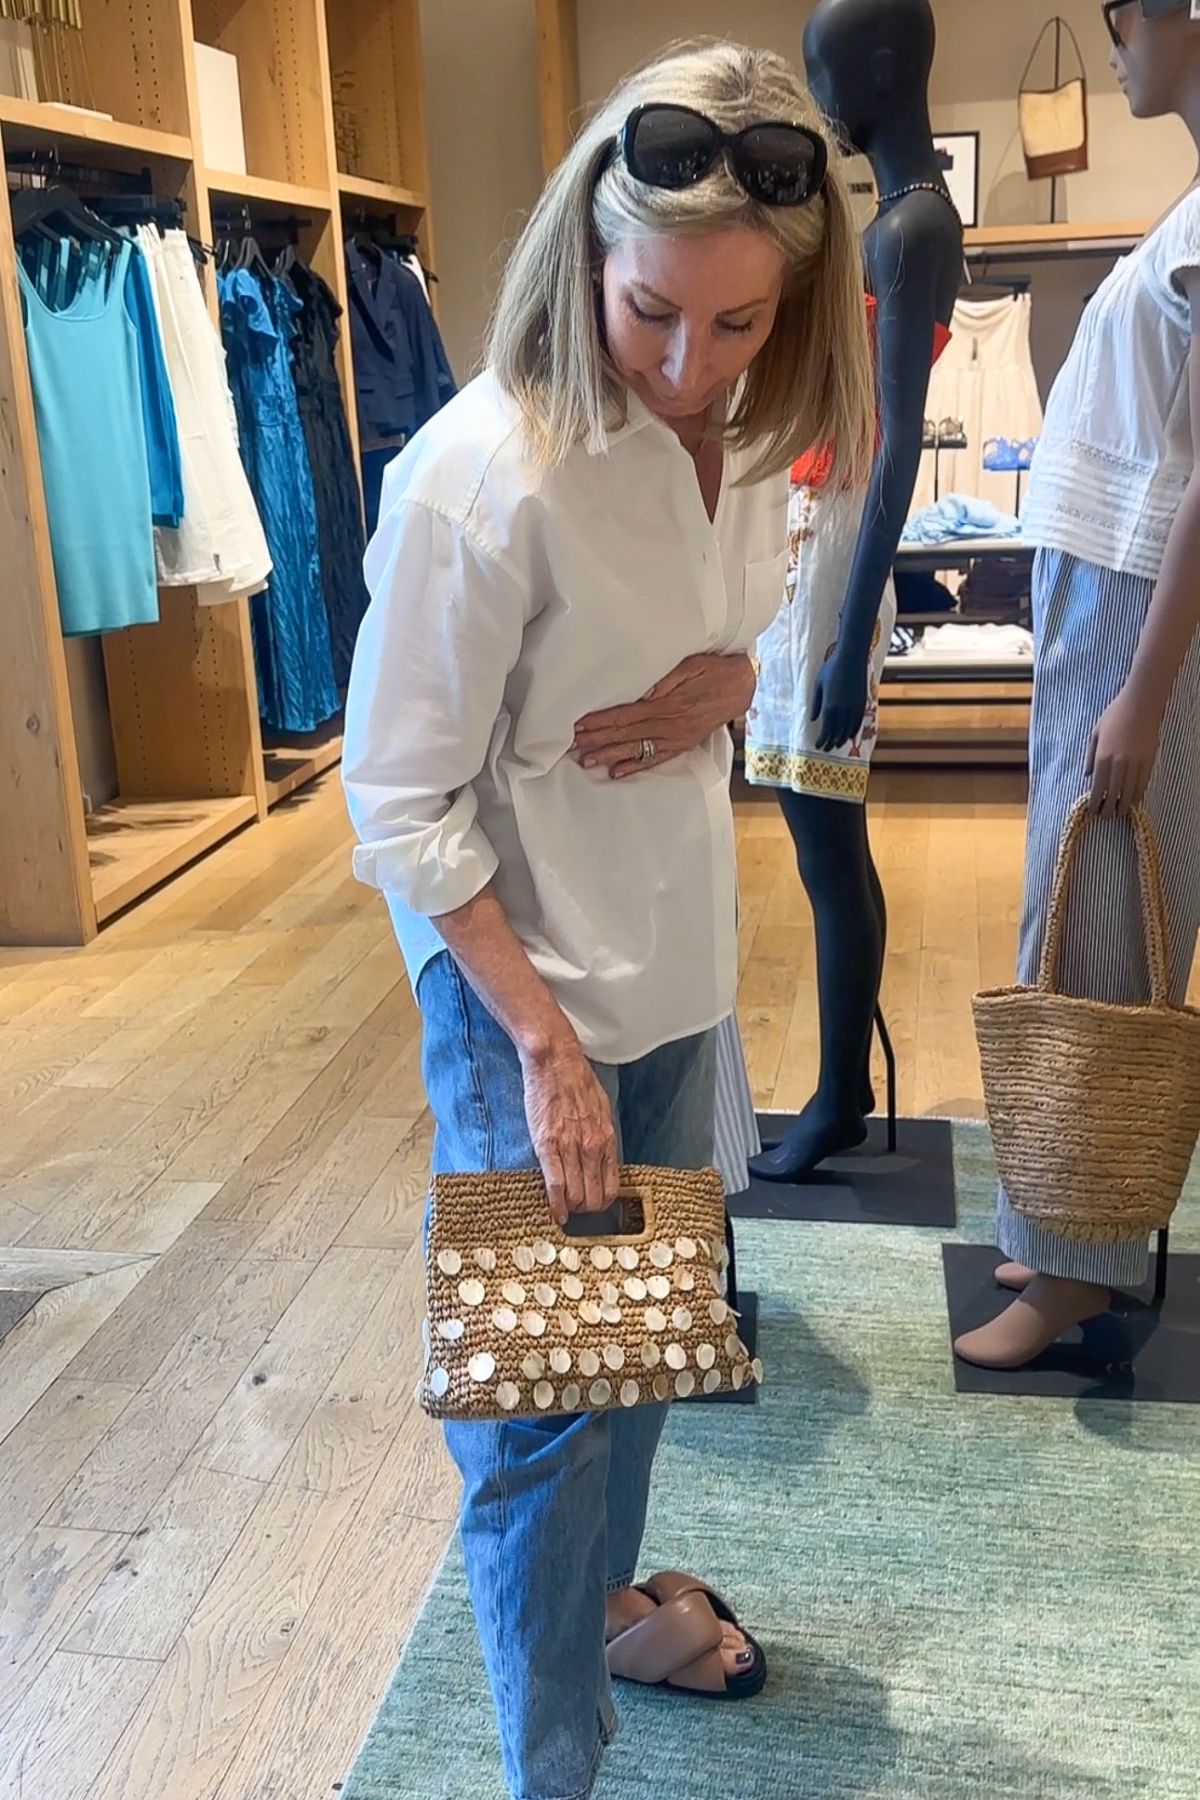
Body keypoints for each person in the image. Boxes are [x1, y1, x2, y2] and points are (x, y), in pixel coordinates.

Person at [342, 40, 873, 1800]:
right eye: (654, 314)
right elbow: (395, 798)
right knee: (540, 1423)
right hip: (533, 1006)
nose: (686, 367)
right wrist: (548, 1050)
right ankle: (546, 1768)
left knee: (639, 1355)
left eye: (736, 327)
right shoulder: (479, 482)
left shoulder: (742, 431)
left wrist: (726, 681)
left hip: (671, 971)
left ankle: (616, 1614)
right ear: (587, 250)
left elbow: (765, 601)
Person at [954, 0, 1200, 1369]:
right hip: (1109, 593)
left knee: (1104, 913)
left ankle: (1078, 1269)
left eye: (1122, 11)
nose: (1112, 40)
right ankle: (1055, 1223)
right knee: (1073, 898)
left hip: (1139, 607)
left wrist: (1147, 690)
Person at [745, 0, 962, 1182]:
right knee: (815, 828)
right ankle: (840, 1082)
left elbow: (893, 453)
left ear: (881, 65)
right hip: (812, 528)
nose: (820, 94)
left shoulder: (913, 230)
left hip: (838, 544)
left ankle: (839, 1092)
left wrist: (843, 637)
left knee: (827, 835)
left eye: (828, 69)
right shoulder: (891, 219)